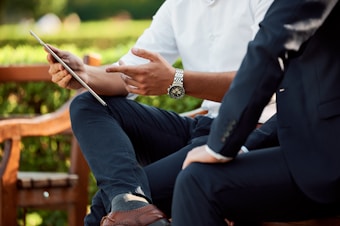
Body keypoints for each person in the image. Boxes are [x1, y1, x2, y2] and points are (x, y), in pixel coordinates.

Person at [46, 0, 275, 225]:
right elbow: (127, 74)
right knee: (87, 104)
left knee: (103, 208)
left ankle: (129, 204)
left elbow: (260, 82)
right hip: (203, 126)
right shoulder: (177, 5)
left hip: (250, 132)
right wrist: (83, 74)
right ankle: (130, 201)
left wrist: (177, 81)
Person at [170, 0, 340, 225]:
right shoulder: (177, 7)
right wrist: (243, 145)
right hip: (308, 145)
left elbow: (269, 49)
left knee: (198, 182)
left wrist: (219, 145)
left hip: (326, 157)